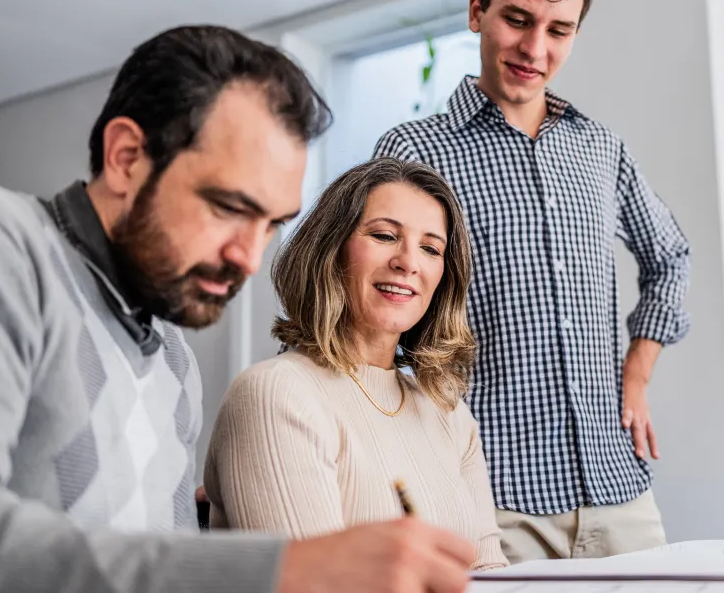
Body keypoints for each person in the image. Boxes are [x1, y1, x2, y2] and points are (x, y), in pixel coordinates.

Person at [0, 25, 475, 593]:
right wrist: (279, 567)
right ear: (126, 158)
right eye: (228, 207)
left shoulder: (174, 360)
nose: (249, 257)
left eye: (270, 224)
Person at [373, 0, 690, 561]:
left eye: (558, 30)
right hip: (492, 498)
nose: (534, 48)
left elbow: (671, 257)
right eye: (517, 20)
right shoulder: (413, 152)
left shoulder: (600, 149)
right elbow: (365, 305)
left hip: (619, 490)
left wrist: (636, 376)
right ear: (477, 12)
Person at [203, 158, 509, 570]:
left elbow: (489, 572)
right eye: (384, 235)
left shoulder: (448, 413)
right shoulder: (275, 393)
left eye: (430, 248)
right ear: (330, 249)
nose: (408, 262)